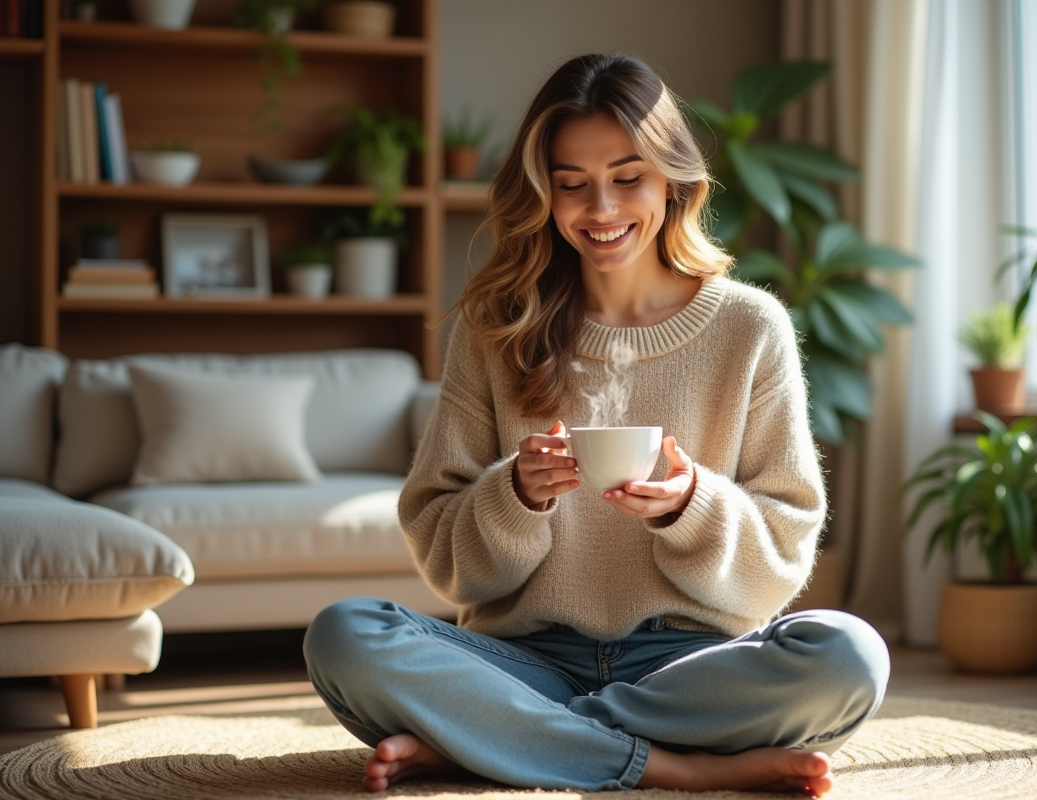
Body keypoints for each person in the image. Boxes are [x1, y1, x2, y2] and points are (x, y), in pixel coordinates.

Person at [303, 52, 890, 797]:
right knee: (344, 635)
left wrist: (689, 507)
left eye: (626, 177)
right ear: (543, 194)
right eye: (571, 185)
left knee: (849, 657)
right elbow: (442, 553)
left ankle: (494, 736)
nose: (602, 210)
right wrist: (514, 495)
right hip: (522, 658)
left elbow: (782, 552)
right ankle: (669, 766)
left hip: (688, 666)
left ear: (673, 180)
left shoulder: (751, 327)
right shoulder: (495, 326)